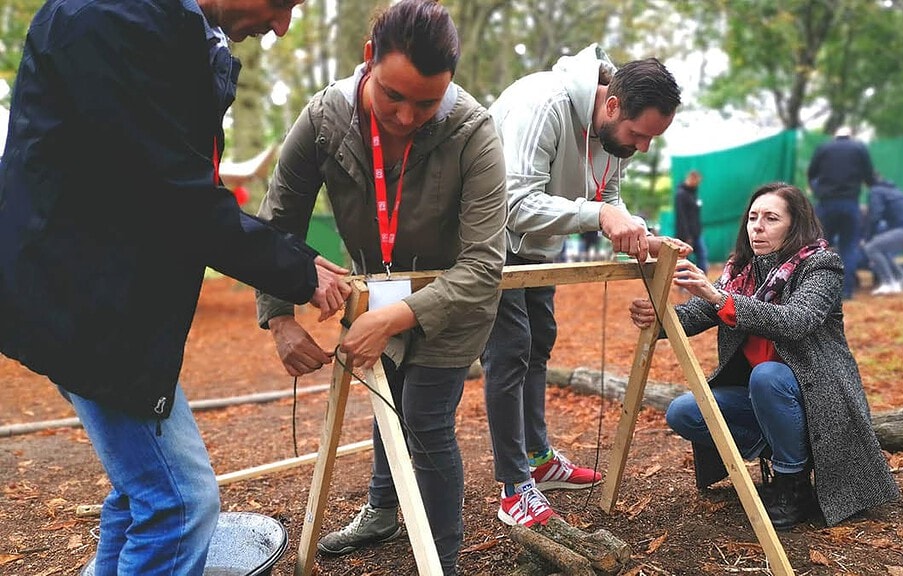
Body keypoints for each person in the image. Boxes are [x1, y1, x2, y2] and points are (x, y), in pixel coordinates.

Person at [0, 0, 349, 573]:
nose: (281, 26)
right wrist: (295, 268)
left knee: (138, 494)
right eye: (281, 4)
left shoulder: (170, 30)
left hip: (106, 300)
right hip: (84, 304)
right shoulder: (109, 19)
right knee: (180, 507)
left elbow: (172, 183)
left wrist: (297, 260)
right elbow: (171, 196)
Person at [253, 1, 507, 574]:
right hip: (375, 289)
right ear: (369, 60)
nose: (408, 115)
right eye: (394, 95)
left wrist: (391, 319)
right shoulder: (324, 119)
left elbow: (483, 266)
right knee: (385, 396)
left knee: (426, 418)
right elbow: (278, 223)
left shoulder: (474, 131)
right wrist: (280, 317)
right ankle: (383, 509)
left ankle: (440, 556)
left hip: (451, 301)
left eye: (427, 102)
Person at [482, 45, 682, 528]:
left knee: (538, 344)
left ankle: (537, 456)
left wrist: (635, 231)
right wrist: (599, 216)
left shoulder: (613, 136)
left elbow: (607, 196)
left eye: (652, 138)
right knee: (509, 351)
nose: (642, 147)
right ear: (612, 105)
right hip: (488, 242)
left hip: (537, 248)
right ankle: (514, 486)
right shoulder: (543, 105)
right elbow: (513, 204)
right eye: (638, 134)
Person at [629, 182, 899, 530]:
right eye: (753, 217)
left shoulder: (821, 266)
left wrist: (718, 298)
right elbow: (699, 312)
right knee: (685, 413)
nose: (758, 226)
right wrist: (659, 318)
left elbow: (795, 321)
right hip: (765, 398)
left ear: (795, 224)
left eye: (771, 218)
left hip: (816, 395)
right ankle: (783, 453)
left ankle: (792, 483)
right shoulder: (742, 270)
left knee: (768, 376)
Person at [807, 126, 876, 299]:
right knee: (849, 247)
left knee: (821, 247)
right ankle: (846, 291)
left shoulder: (823, 148)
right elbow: (869, 177)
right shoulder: (859, 148)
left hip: (826, 204)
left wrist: (817, 190)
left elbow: (811, 173)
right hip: (850, 204)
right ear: (850, 135)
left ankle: (819, 291)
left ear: (834, 135)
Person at [863, 177, 903, 296]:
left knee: (871, 248)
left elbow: (875, 216)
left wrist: (867, 238)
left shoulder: (876, 191)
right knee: (882, 249)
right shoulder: (895, 191)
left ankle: (889, 284)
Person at [674, 169, 709, 272]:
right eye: (697, 181)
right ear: (691, 178)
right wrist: (686, 236)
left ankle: (702, 280)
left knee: (702, 255)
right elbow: (681, 217)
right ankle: (683, 282)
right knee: (685, 258)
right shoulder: (680, 194)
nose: (698, 184)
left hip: (696, 233)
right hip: (686, 235)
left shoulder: (693, 193)